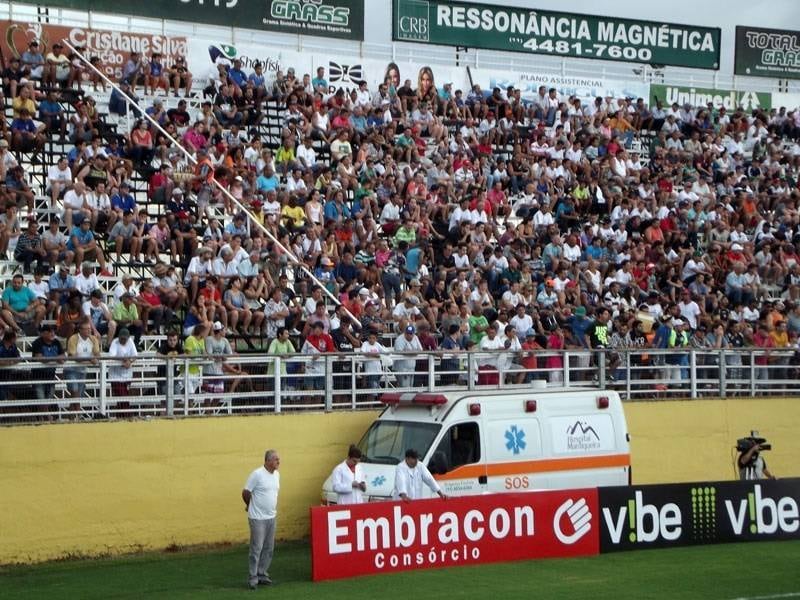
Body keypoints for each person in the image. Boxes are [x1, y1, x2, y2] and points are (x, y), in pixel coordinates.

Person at [242, 449, 280, 590]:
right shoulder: (257, 474)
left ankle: (262, 573)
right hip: (257, 518)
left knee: (269, 548)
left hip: (271, 516)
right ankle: (253, 577)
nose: (278, 462)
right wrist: (249, 505)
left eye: (278, 459)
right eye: (276, 459)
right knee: (256, 548)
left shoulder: (277, 475)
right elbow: (246, 492)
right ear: (268, 461)